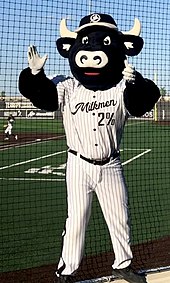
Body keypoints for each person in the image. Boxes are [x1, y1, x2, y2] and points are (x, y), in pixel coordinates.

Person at [18, 13, 160, 283]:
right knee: (76, 220)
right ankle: (66, 271)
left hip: (111, 164)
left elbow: (143, 102)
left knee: (120, 217)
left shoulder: (121, 86)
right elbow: (44, 97)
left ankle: (123, 264)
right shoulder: (67, 86)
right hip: (78, 164)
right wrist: (35, 75)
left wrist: (136, 81)